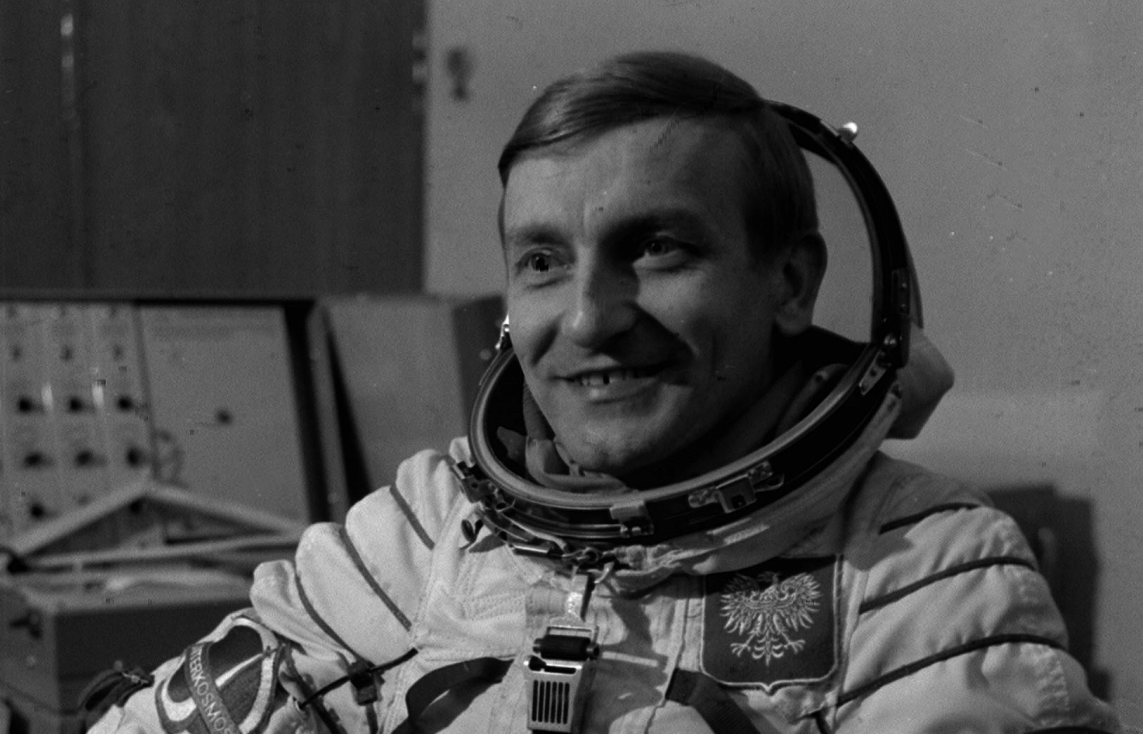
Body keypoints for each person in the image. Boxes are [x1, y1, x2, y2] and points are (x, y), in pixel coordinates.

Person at [86, 52, 1119, 733]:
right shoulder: (423, 535)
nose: (586, 318)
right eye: (543, 262)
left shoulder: (925, 580)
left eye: (657, 247)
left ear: (790, 283)